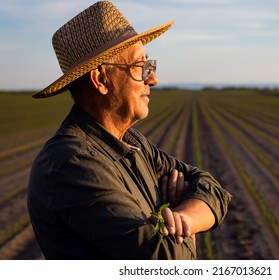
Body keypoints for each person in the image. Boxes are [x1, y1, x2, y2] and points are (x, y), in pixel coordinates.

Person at [27, 1, 231, 260]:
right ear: (101, 80)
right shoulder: (73, 164)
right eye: (139, 67)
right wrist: (183, 215)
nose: (153, 79)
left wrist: (182, 218)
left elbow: (213, 190)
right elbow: (167, 259)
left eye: (151, 66)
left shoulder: (131, 142)